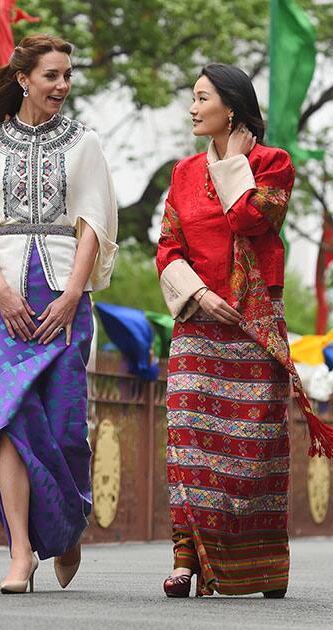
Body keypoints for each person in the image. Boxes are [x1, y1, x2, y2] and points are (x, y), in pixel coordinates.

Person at [0, 33, 118, 594]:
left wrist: (72, 294)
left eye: (68, 76)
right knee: (8, 421)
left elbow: (94, 223)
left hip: (64, 293)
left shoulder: (84, 142)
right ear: (24, 79)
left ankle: (64, 529)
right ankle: (20, 551)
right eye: (52, 76)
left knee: (64, 426)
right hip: (4, 298)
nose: (62, 85)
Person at [156, 63, 333, 599]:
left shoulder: (272, 164)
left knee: (252, 450)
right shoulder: (183, 173)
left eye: (201, 97)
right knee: (187, 442)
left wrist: (234, 163)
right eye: (192, 98)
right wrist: (199, 295)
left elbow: (252, 220)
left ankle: (257, 568)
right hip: (197, 325)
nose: (192, 108)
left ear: (229, 107)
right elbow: (168, 246)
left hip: (254, 327)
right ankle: (185, 562)